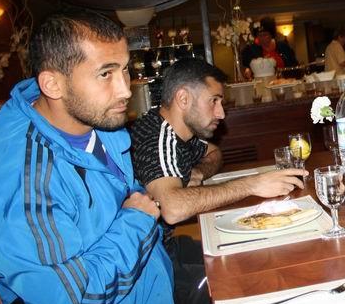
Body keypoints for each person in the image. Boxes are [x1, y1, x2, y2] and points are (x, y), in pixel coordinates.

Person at [0, 10, 215, 304]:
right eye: (106, 73)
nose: (125, 90)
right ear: (52, 84)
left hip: (148, 294)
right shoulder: (21, 175)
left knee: (248, 301)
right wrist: (137, 221)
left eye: (125, 69)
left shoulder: (95, 120)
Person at [130, 57, 307, 230]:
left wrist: (199, 172)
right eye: (213, 100)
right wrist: (252, 185)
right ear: (183, 99)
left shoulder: (182, 132)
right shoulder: (156, 139)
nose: (221, 114)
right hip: (166, 247)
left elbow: (214, 153)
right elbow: (173, 209)